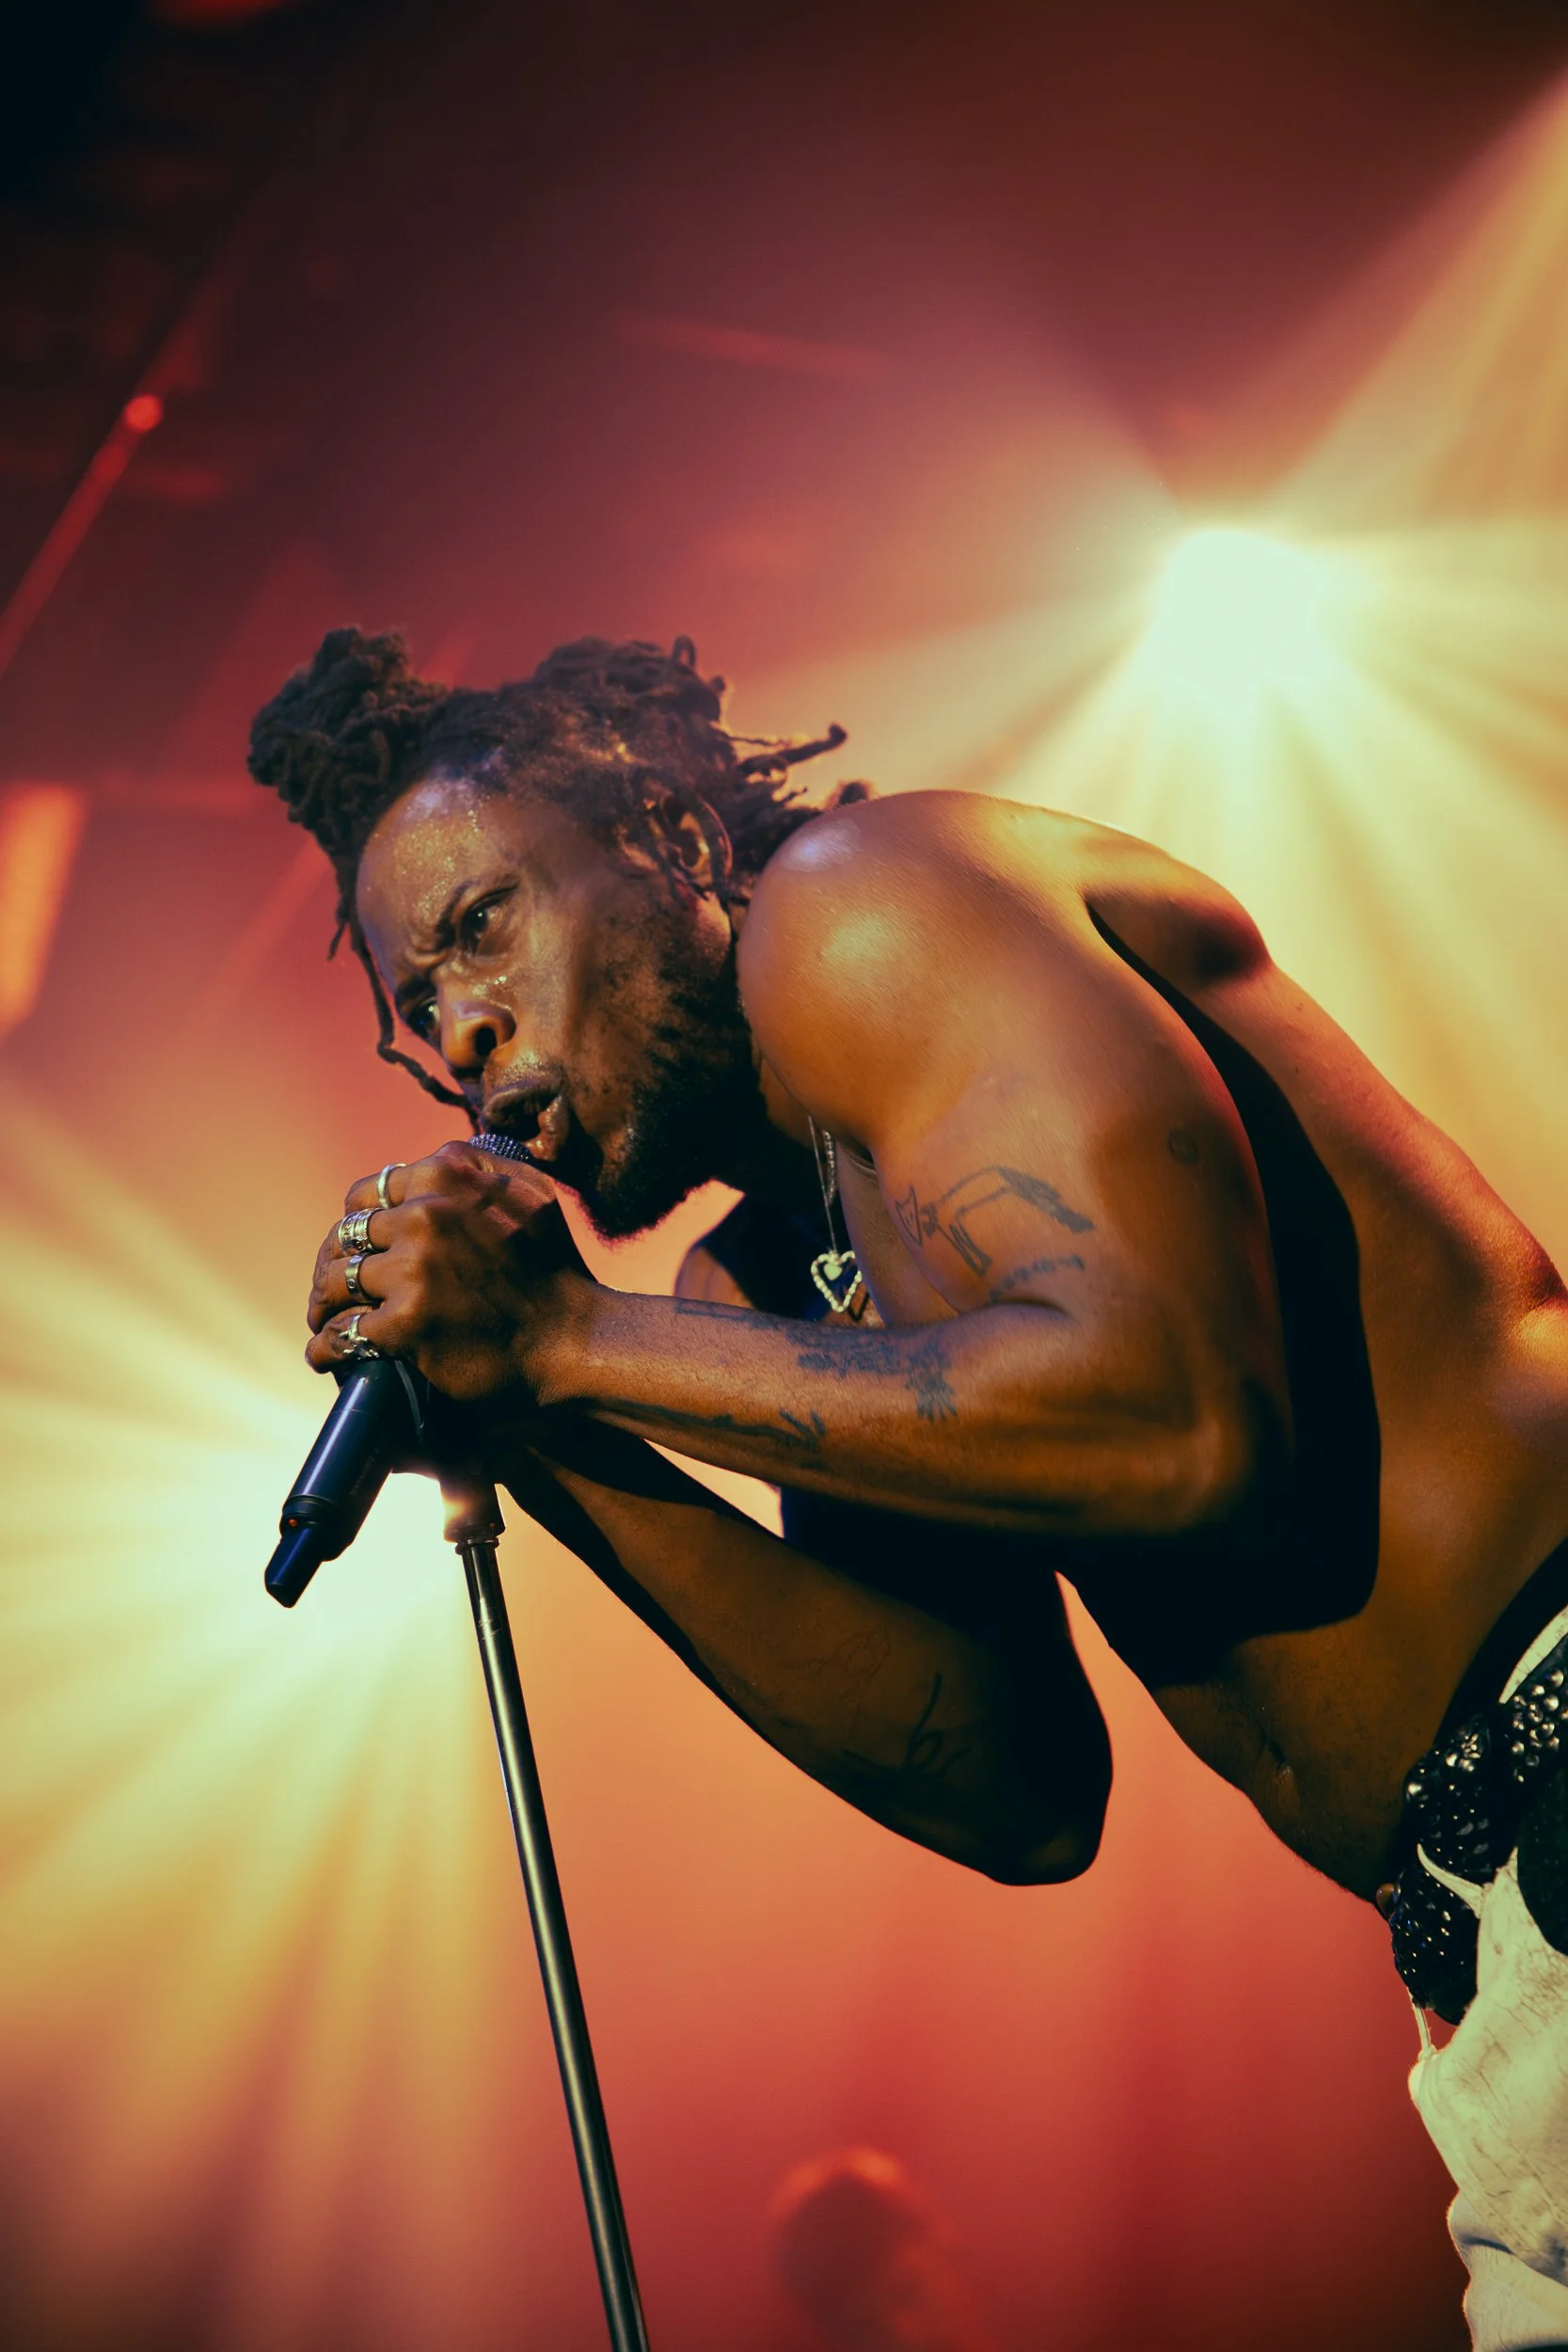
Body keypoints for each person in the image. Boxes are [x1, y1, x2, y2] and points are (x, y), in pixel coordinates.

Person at [249, 629, 1568, 2349]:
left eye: (482, 924)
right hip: (1476, 1966)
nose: (461, 1028)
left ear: (666, 835)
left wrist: (570, 1340)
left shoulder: (865, 904)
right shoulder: (763, 1274)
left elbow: (1179, 1422)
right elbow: (1014, 1790)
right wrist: (546, 1439)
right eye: (417, 1007)